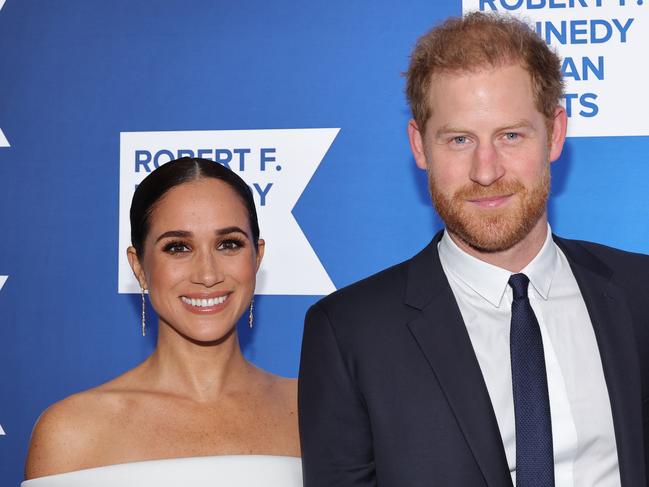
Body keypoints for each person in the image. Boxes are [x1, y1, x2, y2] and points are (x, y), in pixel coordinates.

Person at [299, 12, 649, 487]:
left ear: (556, 133)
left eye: (510, 135)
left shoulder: (640, 293)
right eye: (459, 139)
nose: (486, 171)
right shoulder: (348, 334)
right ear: (420, 146)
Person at [24, 158, 302, 486]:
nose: (208, 274)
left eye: (228, 244)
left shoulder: (314, 408)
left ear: (257, 257)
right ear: (139, 266)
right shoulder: (71, 432)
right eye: (178, 247)